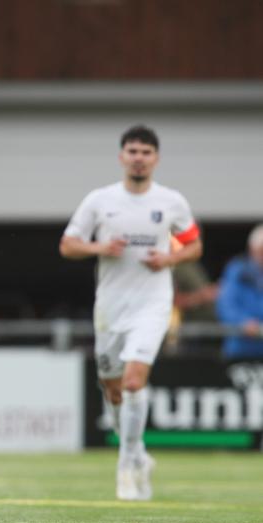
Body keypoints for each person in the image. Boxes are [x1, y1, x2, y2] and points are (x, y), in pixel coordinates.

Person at [60, 125, 202, 501]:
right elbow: (68, 245)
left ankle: (125, 469)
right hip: (110, 308)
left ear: (156, 159)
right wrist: (100, 248)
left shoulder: (170, 201)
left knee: (134, 382)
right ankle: (138, 455)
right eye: (133, 152)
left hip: (152, 304)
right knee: (112, 387)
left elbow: (193, 245)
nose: (139, 159)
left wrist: (169, 258)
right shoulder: (100, 200)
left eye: (146, 152)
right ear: (122, 157)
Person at [216, 224, 263, 361]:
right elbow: (225, 305)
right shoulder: (236, 270)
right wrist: (243, 322)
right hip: (240, 350)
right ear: (252, 250)